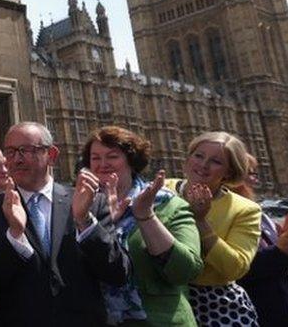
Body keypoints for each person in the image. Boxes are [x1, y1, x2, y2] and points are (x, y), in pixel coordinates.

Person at [0, 122, 130, 326]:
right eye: (10, 152)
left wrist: (84, 221)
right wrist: (15, 234)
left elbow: (118, 273)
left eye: (26, 150)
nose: (16, 159)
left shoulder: (89, 201)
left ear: (52, 155)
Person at [82, 126, 202, 326]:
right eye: (95, 158)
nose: (102, 164)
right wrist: (101, 224)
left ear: (131, 160)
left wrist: (145, 216)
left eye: (112, 156)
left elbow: (184, 271)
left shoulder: (167, 204)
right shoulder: (81, 206)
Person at [165, 131, 262, 326]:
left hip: (216, 304)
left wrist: (201, 222)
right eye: (198, 156)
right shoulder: (161, 190)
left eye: (216, 161)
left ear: (229, 171)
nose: (203, 165)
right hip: (164, 300)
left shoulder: (245, 210)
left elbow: (235, 267)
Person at [237, 155, 288, 327]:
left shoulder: (260, 214)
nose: (255, 180)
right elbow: (237, 269)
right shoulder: (221, 215)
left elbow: (280, 264)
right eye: (250, 173)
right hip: (253, 314)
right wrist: (281, 250)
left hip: (283, 312)